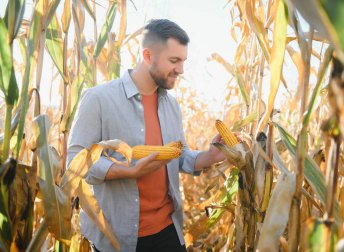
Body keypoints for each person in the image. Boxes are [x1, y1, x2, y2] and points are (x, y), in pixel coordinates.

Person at [67, 19, 226, 252]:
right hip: (117, 237)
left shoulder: (171, 105)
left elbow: (178, 156)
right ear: (148, 56)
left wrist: (210, 157)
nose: (180, 70)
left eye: (183, 61)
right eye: (174, 61)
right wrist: (129, 171)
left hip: (167, 232)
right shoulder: (98, 99)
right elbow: (75, 160)